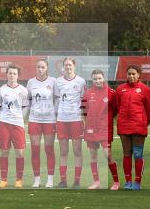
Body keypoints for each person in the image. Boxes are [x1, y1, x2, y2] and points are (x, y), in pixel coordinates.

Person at [115, 64, 150, 191]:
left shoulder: (145, 89)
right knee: (126, 153)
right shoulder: (120, 89)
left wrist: (143, 122)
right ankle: (128, 181)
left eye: (133, 74)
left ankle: (137, 182)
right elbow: (118, 105)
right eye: (129, 74)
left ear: (138, 75)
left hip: (138, 125)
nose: (131, 76)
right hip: (124, 125)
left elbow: (148, 109)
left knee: (137, 154)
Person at [81, 68, 120, 190]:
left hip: (104, 129)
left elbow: (116, 109)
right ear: (92, 80)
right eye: (95, 79)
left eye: (99, 78)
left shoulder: (111, 92)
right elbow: (84, 110)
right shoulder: (88, 93)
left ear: (103, 78)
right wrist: (87, 123)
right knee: (93, 155)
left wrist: (105, 119)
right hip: (91, 128)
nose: (97, 81)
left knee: (107, 155)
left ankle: (116, 182)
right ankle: (96, 182)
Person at [0, 64, 29, 188]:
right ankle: (3, 180)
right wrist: (1, 118)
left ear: (18, 76)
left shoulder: (23, 90)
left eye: (14, 73)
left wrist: (20, 118)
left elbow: (26, 107)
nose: (12, 75)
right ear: (6, 75)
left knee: (19, 152)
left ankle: (19, 180)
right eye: (10, 73)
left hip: (18, 125)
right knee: (4, 151)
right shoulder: (1, 90)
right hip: (4, 124)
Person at [55, 57, 86, 188]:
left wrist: (84, 118)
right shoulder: (58, 81)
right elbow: (57, 100)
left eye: (70, 65)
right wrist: (56, 116)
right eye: (66, 65)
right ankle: (63, 181)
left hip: (76, 120)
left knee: (77, 150)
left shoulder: (81, 81)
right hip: (62, 120)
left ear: (74, 66)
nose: (68, 67)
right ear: (63, 67)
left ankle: (77, 181)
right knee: (63, 151)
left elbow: (84, 101)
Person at [26, 59, 58, 188]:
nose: (40, 69)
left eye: (43, 67)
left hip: (49, 120)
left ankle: (50, 179)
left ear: (47, 68)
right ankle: (37, 179)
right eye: (38, 67)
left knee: (49, 149)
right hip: (34, 119)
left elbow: (57, 98)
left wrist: (55, 113)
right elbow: (28, 99)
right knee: (35, 150)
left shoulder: (53, 81)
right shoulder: (30, 82)